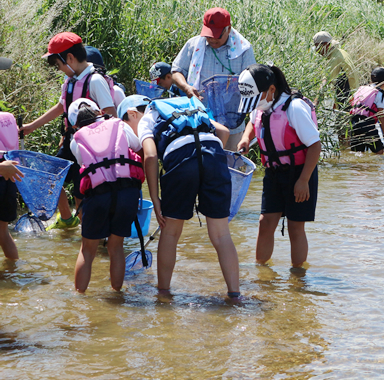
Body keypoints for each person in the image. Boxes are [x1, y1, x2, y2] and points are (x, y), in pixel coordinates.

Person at [132, 92, 241, 298]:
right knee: (221, 234)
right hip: (213, 153)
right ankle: (235, 295)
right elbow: (224, 132)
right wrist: (211, 162)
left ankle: (163, 294)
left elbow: (151, 155)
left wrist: (155, 198)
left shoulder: (148, 117)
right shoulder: (191, 106)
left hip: (181, 158)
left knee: (171, 232)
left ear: (133, 113)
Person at [22, 32, 118, 230]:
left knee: (80, 191)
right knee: (51, 178)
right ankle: (67, 219)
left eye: (58, 65)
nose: (59, 70)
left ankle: (87, 230)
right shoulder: (70, 81)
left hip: (89, 147)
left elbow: (110, 114)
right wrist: (31, 127)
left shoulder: (95, 81)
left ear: (70, 59)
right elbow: (60, 108)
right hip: (70, 141)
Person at [237, 64, 321, 268]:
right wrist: (246, 138)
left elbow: (315, 145)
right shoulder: (261, 106)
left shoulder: (294, 108)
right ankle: (262, 273)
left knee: (295, 227)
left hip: (300, 173)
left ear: (272, 90)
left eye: (256, 99)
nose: (254, 105)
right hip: (273, 172)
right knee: (264, 223)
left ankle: (298, 278)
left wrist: (303, 181)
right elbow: (252, 122)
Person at [67, 99, 144, 293]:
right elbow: (135, 145)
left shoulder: (76, 139)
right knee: (116, 246)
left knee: (87, 250)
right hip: (127, 192)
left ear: (75, 124)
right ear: (98, 112)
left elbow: (82, 162)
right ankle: (117, 294)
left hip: (99, 194)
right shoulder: (118, 125)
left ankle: (79, 299)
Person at [170, 7, 256, 151]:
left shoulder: (244, 50)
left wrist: (230, 89)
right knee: (198, 165)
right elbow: (176, 71)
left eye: (216, 36)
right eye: (209, 35)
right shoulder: (194, 45)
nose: (212, 39)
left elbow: (252, 85)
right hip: (198, 120)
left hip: (232, 125)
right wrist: (186, 88)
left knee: (228, 168)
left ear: (228, 29)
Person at [0, 58, 23, 260]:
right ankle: (13, 273)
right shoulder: (6, 117)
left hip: (2, 171)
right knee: (3, 234)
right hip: (8, 179)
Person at [349, 67, 384, 154]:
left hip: (354, 123)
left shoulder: (361, 88)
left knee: (358, 153)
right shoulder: (379, 93)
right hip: (367, 124)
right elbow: (380, 115)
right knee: (380, 152)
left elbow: (351, 102)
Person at [313, 31, 359, 107]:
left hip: (348, 101)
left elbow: (325, 83)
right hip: (356, 97)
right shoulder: (342, 52)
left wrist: (315, 104)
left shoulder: (334, 59)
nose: (317, 51)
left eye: (317, 47)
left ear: (325, 45)